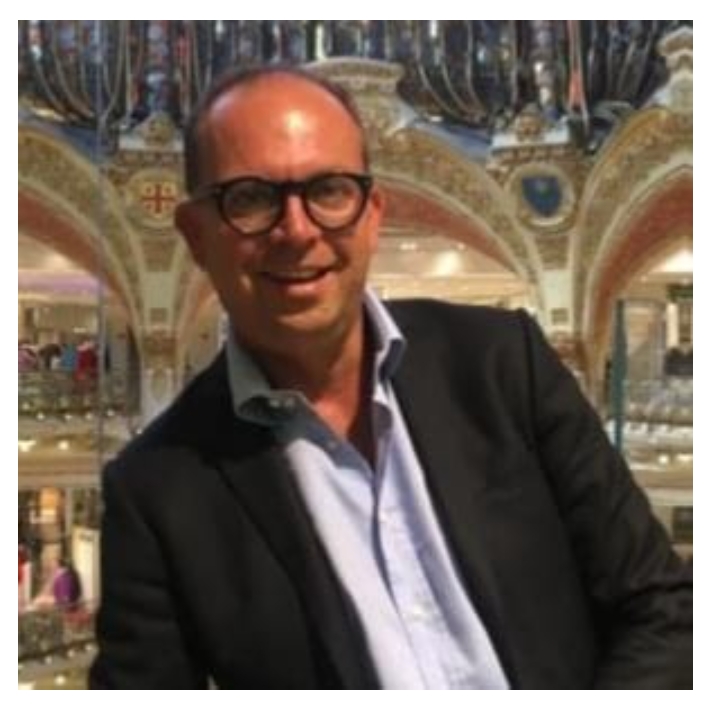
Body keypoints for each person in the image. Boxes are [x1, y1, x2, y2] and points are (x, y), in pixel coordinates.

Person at [90, 66, 692, 689]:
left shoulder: (502, 364)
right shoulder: (157, 489)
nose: (297, 230)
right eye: (250, 197)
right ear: (195, 234)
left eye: (329, 190)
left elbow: (662, 609)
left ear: (372, 214)